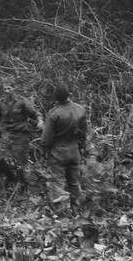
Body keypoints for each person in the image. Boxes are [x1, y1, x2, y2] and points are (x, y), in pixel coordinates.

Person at [0, 78, 44, 192]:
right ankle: (10, 176)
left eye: (9, 88)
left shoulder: (22, 101)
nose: (7, 91)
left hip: (20, 135)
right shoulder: (1, 103)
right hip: (7, 135)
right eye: (5, 89)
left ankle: (22, 186)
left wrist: (40, 120)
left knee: (20, 163)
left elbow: (34, 113)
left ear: (14, 88)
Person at [42, 87, 87, 215]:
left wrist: (44, 151)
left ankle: (62, 214)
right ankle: (78, 211)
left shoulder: (54, 113)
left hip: (58, 152)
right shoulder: (80, 109)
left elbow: (46, 137)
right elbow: (84, 132)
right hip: (74, 150)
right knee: (74, 182)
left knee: (57, 183)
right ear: (69, 94)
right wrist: (82, 147)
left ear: (56, 99)